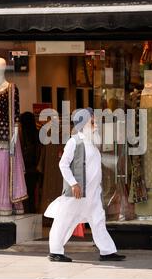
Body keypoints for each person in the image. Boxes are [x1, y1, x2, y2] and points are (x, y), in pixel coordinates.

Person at [44, 108, 126, 262]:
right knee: (64, 220)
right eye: (92, 123)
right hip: (78, 193)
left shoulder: (92, 142)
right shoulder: (74, 142)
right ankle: (55, 251)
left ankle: (107, 251)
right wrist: (74, 184)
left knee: (98, 220)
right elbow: (63, 164)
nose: (96, 126)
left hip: (93, 193)